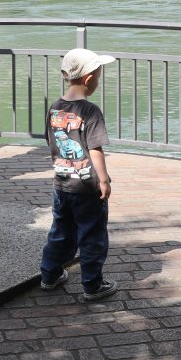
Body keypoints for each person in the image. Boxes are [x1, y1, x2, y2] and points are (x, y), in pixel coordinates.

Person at [38, 47, 118, 302]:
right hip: (87, 185)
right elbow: (95, 149)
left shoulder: (54, 108)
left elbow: (51, 142)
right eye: (98, 77)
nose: (98, 81)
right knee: (92, 235)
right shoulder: (90, 111)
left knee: (61, 231)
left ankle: (49, 275)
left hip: (61, 183)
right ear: (89, 78)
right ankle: (93, 285)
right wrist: (103, 180)